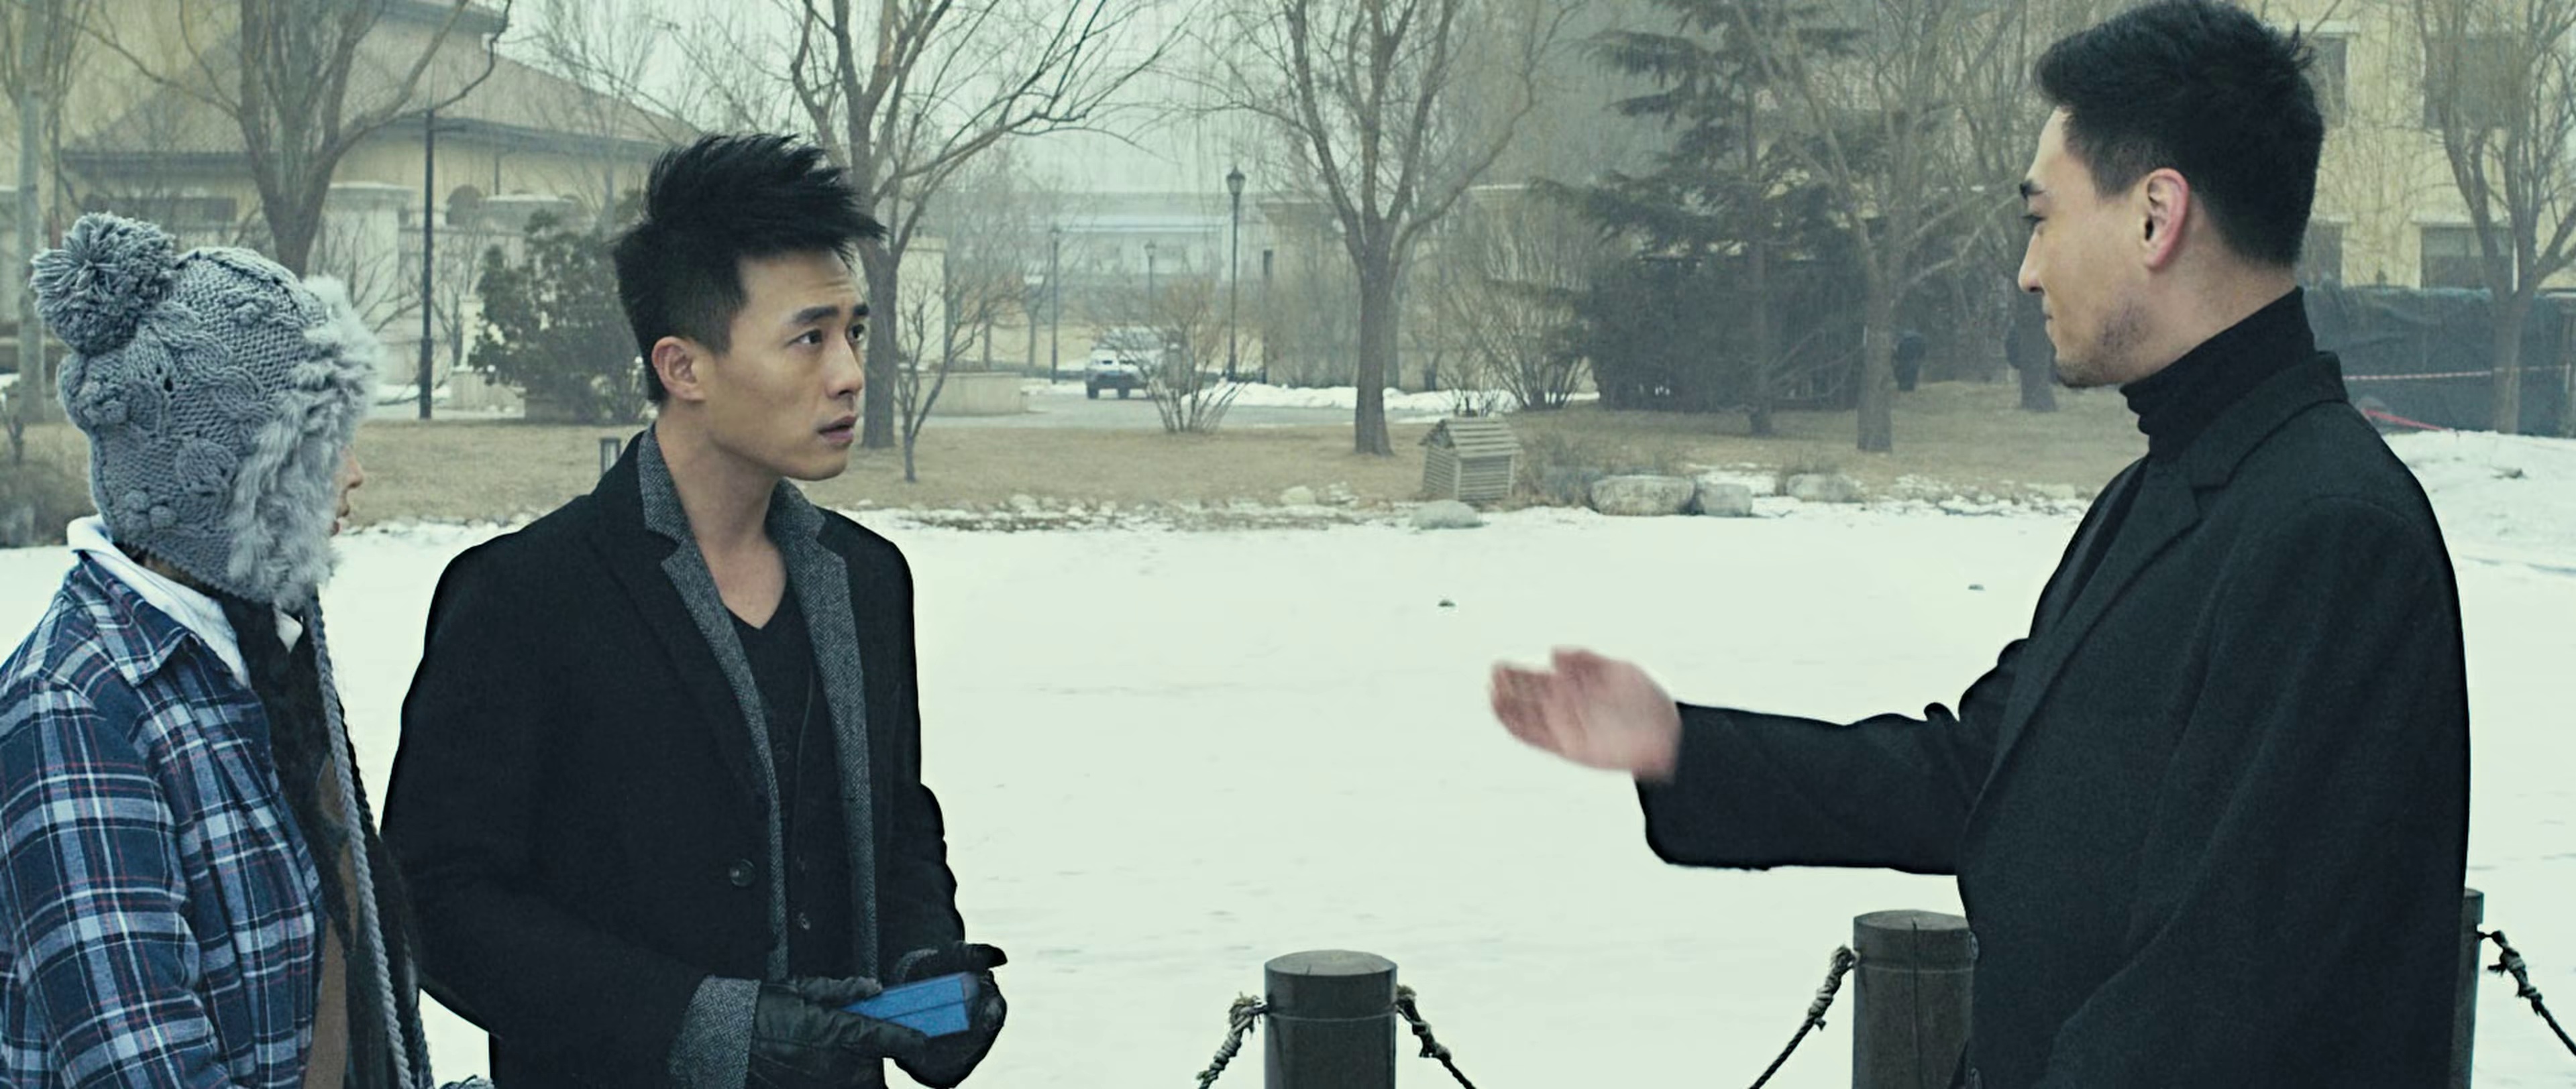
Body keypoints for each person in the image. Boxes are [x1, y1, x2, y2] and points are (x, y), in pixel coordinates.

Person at [1489, 3, 2469, 1086]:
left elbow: (2217, 1006)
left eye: (2043, 220)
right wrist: (1684, 746)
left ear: (2157, 217)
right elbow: (1988, 775)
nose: (2028, 271)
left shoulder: (2331, 535)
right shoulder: (2163, 495)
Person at [382, 133, 1006, 1089]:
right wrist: (707, 1027)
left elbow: (894, 826)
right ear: (683, 367)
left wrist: (926, 968)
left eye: (855, 331)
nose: (849, 372)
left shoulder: (867, 580)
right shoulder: (526, 596)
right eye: (809, 337)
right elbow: (440, 905)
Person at [1, 213, 433, 1086]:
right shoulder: (77, 705)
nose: (354, 473)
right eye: (321, 446)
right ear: (232, 482)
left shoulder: (262, 652)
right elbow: (143, 1068)